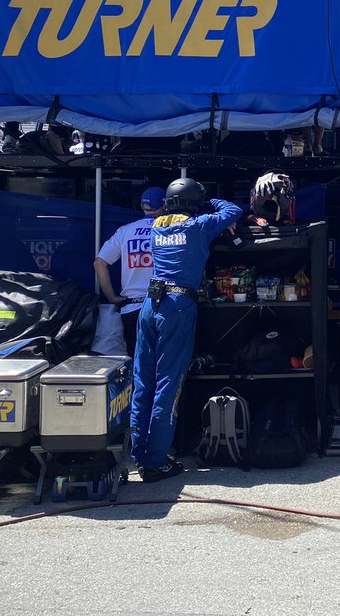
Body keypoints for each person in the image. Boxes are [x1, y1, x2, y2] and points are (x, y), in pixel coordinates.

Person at [130, 178, 242, 482]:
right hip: (178, 306)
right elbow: (233, 210)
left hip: (149, 306)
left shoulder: (156, 227)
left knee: (143, 383)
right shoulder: (198, 226)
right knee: (169, 384)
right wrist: (209, 204)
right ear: (194, 203)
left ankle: (137, 454)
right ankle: (155, 463)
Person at [92, 187, 167, 357]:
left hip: (131, 307)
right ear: (165, 206)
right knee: (163, 363)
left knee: (138, 364)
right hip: (162, 304)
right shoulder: (169, 231)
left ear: (142, 206)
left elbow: (99, 264)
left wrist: (112, 297)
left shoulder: (125, 231)